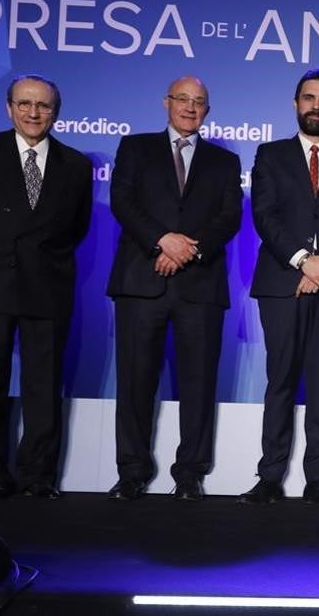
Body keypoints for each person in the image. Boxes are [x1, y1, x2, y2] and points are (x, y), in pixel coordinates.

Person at [0, 73, 93, 500]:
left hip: (47, 286)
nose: (33, 112)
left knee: (44, 386)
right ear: (9, 108)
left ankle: (37, 475)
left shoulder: (76, 164)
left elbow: (77, 227)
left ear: (55, 112)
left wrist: (43, 260)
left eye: (43, 106)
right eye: (25, 104)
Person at [105, 76, 243, 501]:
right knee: (134, 381)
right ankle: (132, 472)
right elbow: (122, 202)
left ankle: (190, 474)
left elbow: (229, 218)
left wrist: (187, 250)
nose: (190, 107)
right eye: (182, 99)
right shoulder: (136, 147)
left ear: (207, 109)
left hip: (199, 285)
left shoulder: (224, 161)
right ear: (166, 102)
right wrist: (162, 240)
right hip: (141, 280)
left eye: (199, 101)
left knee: (198, 383)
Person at [240, 69, 319, 507]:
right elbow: (265, 215)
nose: (317, 105)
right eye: (309, 98)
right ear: (296, 104)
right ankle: (270, 476)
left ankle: (317, 479)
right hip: (282, 282)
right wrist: (302, 261)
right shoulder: (270, 155)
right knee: (279, 379)